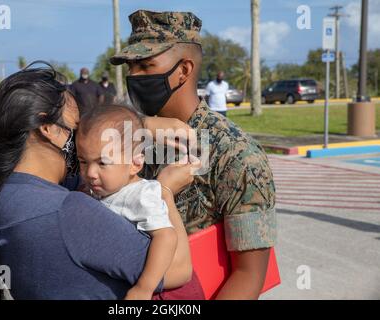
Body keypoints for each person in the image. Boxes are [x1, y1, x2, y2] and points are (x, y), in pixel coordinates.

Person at [0, 62, 202, 300]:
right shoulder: (68, 211)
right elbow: (179, 270)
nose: (82, 143)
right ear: (49, 128)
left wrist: (134, 127)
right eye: (76, 129)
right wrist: (164, 190)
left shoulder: (8, 193)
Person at [110, 10, 277, 300]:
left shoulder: (235, 153)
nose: (134, 76)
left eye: (146, 66)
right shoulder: (132, 136)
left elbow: (248, 275)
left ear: (184, 70)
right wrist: (142, 126)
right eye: (130, 67)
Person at [77, 104, 202, 300]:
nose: (90, 173)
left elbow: (166, 237)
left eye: (102, 163)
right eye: (83, 162)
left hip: (164, 293)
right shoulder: (103, 190)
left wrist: (144, 287)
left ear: (135, 164)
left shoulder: (141, 194)